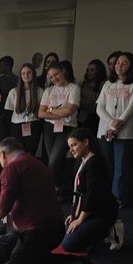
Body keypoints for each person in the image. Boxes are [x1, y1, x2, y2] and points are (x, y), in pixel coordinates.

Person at [0, 137, 88, 264]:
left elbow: (2, 209)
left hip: (38, 231)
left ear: (2, 154)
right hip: (56, 227)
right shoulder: (35, 162)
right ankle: (77, 263)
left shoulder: (12, 168)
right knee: (32, 259)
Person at [95, 52, 133, 207]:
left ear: (131, 65)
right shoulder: (108, 84)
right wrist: (111, 123)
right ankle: (104, 196)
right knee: (106, 165)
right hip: (105, 131)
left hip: (124, 132)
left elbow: (132, 107)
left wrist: (117, 124)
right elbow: (99, 108)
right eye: (117, 63)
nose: (119, 66)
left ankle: (117, 198)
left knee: (120, 168)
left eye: (124, 63)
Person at [61, 128, 121, 252]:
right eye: (70, 146)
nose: (71, 150)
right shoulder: (82, 161)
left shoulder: (95, 163)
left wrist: (80, 219)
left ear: (86, 142)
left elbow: (91, 195)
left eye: (74, 145)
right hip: (90, 211)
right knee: (67, 227)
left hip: (101, 213)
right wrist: (74, 215)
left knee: (68, 244)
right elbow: (79, 193)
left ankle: (111, 229)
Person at [38, 60, 81, 199]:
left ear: (63, 72)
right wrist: (60, 111)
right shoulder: (48, 90)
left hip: (67, 127)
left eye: (56, 74)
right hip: (49, 127)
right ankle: (58, 188)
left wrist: (50, 110)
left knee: (54, 160)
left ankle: (54, 189)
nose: (54, 78)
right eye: (51, 77)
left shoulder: (73, 88)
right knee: (54, 159)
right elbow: (40, 113)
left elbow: (69, 110)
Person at [5, 63, 43, 164]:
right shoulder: (13, 92)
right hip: (17, 126)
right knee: (17, 154)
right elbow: (8, 111)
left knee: (31, 154)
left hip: (33, 125)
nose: (26, 75)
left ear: (33, 74)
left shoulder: (39, 91)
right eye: (23, 73)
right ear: (20, 76)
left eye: (29, 73)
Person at [78, 59, 107, 133]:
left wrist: (84, 101)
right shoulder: (81, 85)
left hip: (96, 119)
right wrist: (91, 100)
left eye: (92, 70)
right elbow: (77, 102)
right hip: (81, 119)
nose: (89, 72)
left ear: (98, 71)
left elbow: (97, 105)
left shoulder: (103, 85)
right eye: (87, 70)